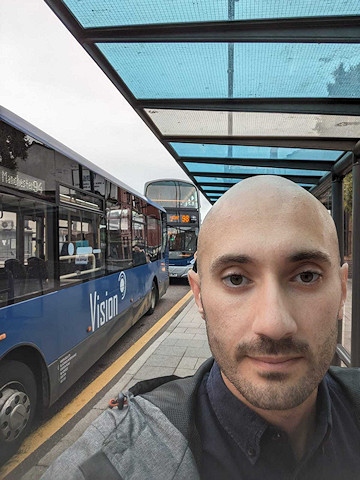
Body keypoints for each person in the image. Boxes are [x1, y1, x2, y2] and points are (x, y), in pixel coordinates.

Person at [41, 175, 360, 479]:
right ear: (199, 295)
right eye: (236, 278)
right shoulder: (111, 462)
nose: (274, 325)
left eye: (306, 276)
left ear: (343, 290)